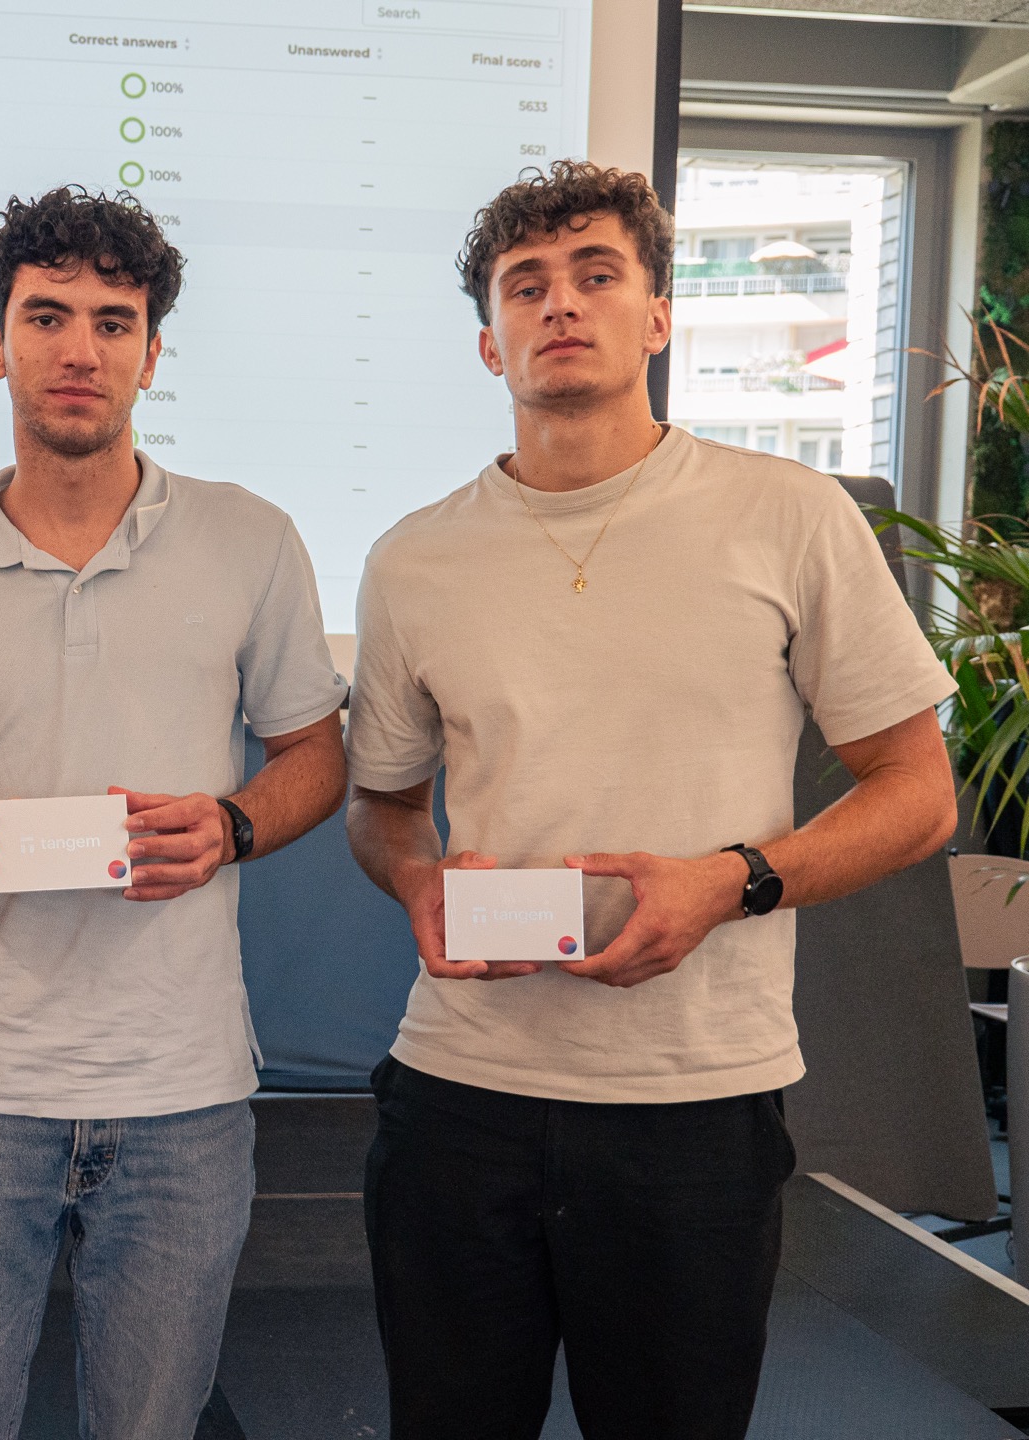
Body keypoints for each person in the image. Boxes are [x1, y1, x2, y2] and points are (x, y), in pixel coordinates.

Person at [344, 160, 958, 1440]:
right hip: (459, 1097)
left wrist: (733, 881)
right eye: (526, 285)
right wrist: (416, 880)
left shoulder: (790, 516)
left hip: (694, 1104)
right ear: (489, 342)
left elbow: (917, 794)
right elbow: (383, 807)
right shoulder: (412, 558)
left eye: (596, 274)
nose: (561, 303)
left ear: (658, 316)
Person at [0, 186, 350, 1439]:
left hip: (185, 1088)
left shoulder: (252, 540)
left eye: (113, 322)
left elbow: (315, 755)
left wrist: (234, 825)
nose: (80, 349)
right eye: (47, 317)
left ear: (150, 354)